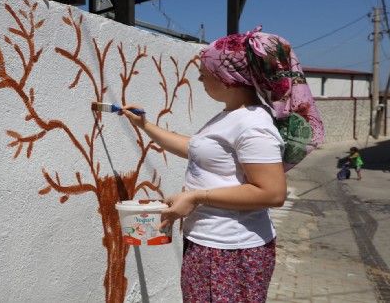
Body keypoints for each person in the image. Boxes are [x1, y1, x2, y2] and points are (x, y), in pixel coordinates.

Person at [120, 26, 324, 302]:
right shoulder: (234, 115)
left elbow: (272, 193)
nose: (200, 78)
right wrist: (145, 126)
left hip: (230, 253)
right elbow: (198, 149)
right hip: (211, 245)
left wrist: (196, 197)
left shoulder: (253, 125)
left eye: (205, 73)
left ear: (228, 79)